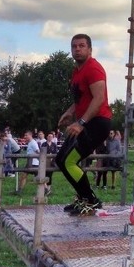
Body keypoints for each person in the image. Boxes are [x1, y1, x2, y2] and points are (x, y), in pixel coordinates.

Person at [55, 34, 112, 216]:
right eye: (74, 46)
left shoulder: (93, 68)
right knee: (60, 160)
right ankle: (83, 198)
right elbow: (82, 99)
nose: (77, 49)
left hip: (97, 123)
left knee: (68, 161)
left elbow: (98, 99)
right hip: (86, 123)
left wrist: (80, 123)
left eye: (81, 46)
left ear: (90, 49)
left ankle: (91, 201)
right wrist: (70, 111)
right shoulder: (77, 71)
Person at [17, 130, 41, 195]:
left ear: (30, 135)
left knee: (23, 176)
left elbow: (38, 151)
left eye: (26, 135)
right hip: (32, 163)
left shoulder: (33, 143)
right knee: (38, 177)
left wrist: (38, 158)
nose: (25, 137)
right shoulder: (30, 143)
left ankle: (20, 190)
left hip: (33, 163)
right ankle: (46, 190)